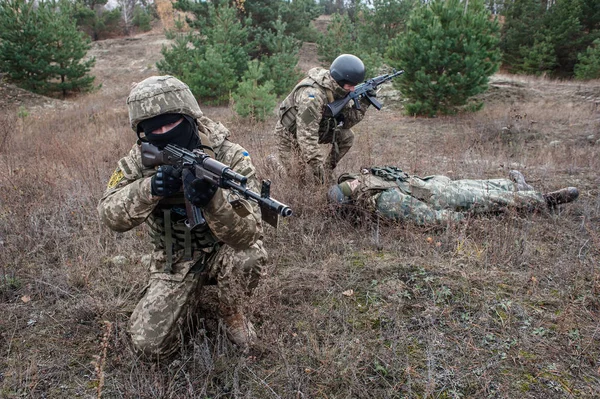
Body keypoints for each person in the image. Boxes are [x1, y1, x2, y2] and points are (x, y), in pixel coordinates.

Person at [98, 75, 267, 357]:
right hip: (175, 257)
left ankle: (231, 311)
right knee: (149, 346)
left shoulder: (229, 156)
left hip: (220, 250)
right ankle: (178, 296)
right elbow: (109, 214)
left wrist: (213, 201)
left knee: (251, 255)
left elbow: (249, 233)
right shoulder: (139, 159)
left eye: (172, 123)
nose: (164, 132)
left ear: (189, 117)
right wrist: (149, 188)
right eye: (155, 129)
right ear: (142, 134)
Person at [327, 166, 579, 225]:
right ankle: (545, 199)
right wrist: (465, 220)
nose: (355, 181)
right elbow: (431, 217)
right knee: (492, 200)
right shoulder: (384, 202)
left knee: (483, 184)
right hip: (447, 199)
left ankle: (517, 185)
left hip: (438, 185)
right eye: (352, 186)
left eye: (350, 181)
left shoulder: (372, 178)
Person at [274, 54, 373, 183]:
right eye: (350, 85)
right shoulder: (312, 96)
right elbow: (307, 137)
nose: (353, 89)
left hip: (318, 129)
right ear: (340, 80)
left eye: (355, 85)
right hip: (290, 135)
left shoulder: (340, 90)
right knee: (297, 179)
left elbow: (346, 122)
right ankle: (274, 164)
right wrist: (318, 174)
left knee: (347, 136)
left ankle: (328, 170)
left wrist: (364, 103)